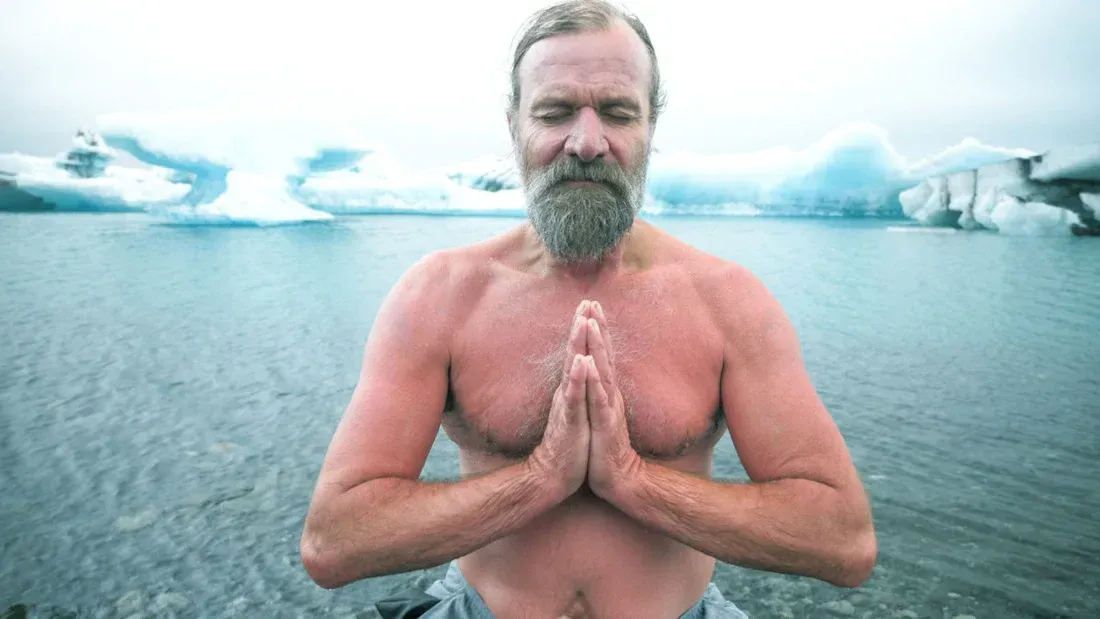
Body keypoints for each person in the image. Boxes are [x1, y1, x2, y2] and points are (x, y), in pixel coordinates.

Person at [299, 1, 877, 617]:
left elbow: (842, 541)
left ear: (650, 125)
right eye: (553, 112)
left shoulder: (726, 302)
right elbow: (335, 541)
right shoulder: (440, 296)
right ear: (514, 124)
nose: (586, 141)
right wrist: (538, 480)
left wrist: (633, 481)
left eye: (618, 112)